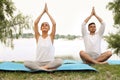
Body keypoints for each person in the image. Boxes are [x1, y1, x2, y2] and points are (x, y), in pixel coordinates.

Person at [24, 3, 62, 71]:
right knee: (26, 63)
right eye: (43, 25)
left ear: (49, 28)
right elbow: (35, 23)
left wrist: (47, 12)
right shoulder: (38, 37)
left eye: (46, 25)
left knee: (59, 61)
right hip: (38, 62)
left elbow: (54, 24)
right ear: (41, 28)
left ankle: (42, 68)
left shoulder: (51, 37)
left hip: (50, 62)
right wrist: (43, 12)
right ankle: (46, 68)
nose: (44, 26)